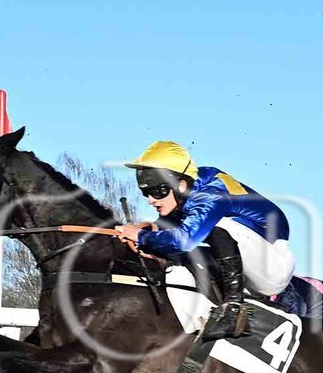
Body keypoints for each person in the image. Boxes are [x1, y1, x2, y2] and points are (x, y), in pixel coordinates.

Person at [115, 141, 295, 341]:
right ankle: (196, 325)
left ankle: (233, 309)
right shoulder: (190, 186)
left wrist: (140, 236)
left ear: (181, 185)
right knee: (174, 260)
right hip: (246, 259)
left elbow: (184, 240)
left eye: (158, 191)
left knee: (215, 228)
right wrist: (150, 229)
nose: (151, 200)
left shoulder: (211, 194)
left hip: (273, 266)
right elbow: (172, 230)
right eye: (146, 193)